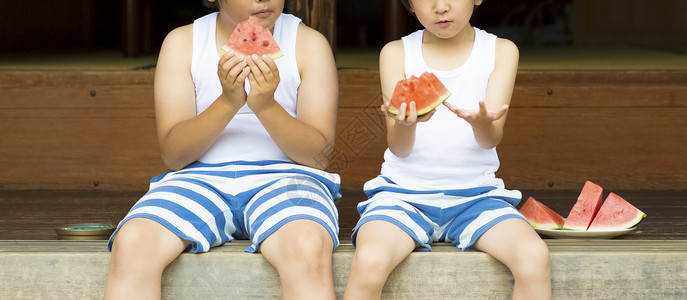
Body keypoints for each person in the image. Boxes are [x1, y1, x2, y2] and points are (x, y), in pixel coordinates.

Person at [104, 0, 340, 299]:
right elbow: (175, 155)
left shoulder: (308, 44)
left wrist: (266, 106)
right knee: (133, 242)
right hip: (197, 178)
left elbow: (318, 156)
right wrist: (228, 102)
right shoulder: (182, 43)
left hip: (289, 179)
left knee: (307, 244)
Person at [343, 0, 551, 299]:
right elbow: (398, 148)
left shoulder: (500, 51)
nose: (440, 7)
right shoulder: (396, 53)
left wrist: (481, 124)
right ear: (410, 5)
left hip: (477, 197)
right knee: (369, 260)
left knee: (534, 257)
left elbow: (490, 139)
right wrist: (405, 124)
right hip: (402, 195)